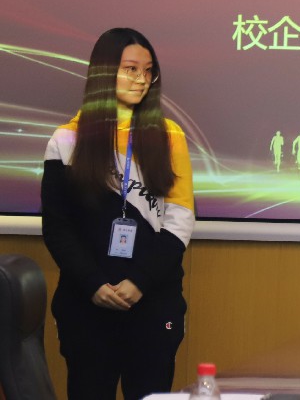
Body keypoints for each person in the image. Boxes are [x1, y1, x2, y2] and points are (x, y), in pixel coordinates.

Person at [41, 28, 195, 400]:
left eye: (148, 71)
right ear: (105, 72)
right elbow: (58, 227)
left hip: (153, 302)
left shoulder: (169, 136)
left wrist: (139, 281)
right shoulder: (66, 140)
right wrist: (94, 284)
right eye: (130, 69)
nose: (141, 79)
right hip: (86, 304)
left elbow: (179, 220)